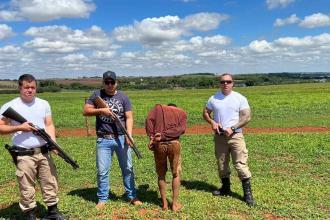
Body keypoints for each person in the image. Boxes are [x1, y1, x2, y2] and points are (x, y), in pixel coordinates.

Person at [0, 74, 66, 220]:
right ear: (20, 87)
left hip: (44, 151)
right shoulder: (10, 106)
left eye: (32, 87)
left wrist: (53, 143)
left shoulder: (43, 104)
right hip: (24, 154)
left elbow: (49, 124)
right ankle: (30, 214)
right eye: (26, 87)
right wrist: (20, 128)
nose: (29, 90)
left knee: (49, 181)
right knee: (26, 185)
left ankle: (52, 212)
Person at [83, 70, 142, 210]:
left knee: (128, 168)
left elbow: (129, 117)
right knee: (102, 171)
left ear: (117, 83)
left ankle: (132, 196)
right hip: (104, 139)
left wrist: (129, 135)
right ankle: (102, 198)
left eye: (112, 82)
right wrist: (101, 111)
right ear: (103, 83)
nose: (110, 85)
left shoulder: (123, 97)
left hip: (122, 137)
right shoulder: (96, 95)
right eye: (107, 82)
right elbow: (86, 111)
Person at [203, 73, 256, 206]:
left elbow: (246, 117)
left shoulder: (239, 98)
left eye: (228, 81)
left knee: (240, 165)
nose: (225, 84)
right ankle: (226, 188)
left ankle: (248, 194)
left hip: (236, 136)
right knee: (221, 165)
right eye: (223, 82)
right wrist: (212, 123)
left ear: (233, 83)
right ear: (219, 84)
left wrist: (233, 128)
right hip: (220, 137)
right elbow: (205, 112)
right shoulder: (213, 98)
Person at [145, 103, 187, 211]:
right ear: (175, 108)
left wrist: (152, 137)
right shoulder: (181, 112)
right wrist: (165, 135)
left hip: (160, 145)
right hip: (174, 143)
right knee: (176, 173)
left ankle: (164, 204)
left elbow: (149, 120)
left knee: (161, 174)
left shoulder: (157, 109)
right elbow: (181, 129)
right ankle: (174, 204)